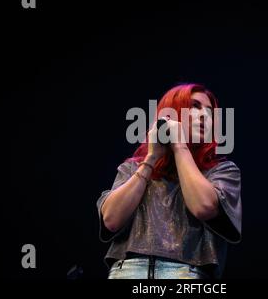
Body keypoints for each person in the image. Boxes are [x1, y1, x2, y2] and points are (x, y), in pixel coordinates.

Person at [96, 83, 242, 279]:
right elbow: (111, 220)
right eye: (194, 106)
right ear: (170, 114)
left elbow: (203, 207)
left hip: (187, 274)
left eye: (210, 111)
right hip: (127, 271)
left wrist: (179, 146)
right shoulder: (133, 168)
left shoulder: (221, 171)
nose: (205, 116)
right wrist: (150, 159)